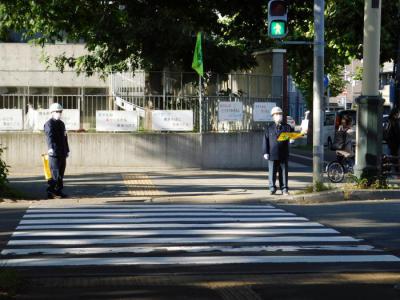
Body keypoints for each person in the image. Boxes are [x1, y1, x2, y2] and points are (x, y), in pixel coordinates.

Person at [262, 106, 293, 195]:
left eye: (280, 114)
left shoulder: (287, 127)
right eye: (276, 114)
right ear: (273, 116)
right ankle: (272, 188)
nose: (278, 115)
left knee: (283, 172)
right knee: (272, 172)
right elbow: (265, 140)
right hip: (272, 153)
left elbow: (290, 137)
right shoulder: (269, 128)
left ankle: (284, 189)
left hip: (283, 153)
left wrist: (291, 139)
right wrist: (265, 152)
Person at [44, 103, 70, 199]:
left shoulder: (61, 123)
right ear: (52, 112)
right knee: (55, 173)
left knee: (61, 173)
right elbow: (49, 137)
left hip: (62, 151)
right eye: (57, 111)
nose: (59, 113)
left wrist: (67, 150)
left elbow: (65, 137)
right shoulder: (49, 124)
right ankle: (50, 192)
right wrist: (50, 148)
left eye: (60, 111)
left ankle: (59, 191)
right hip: (54, 153)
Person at [385, 108, 400, 173]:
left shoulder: (389, 120)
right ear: (395, 114)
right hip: (394, 142)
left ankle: (389, 170)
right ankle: (394, 171)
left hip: (390, 142)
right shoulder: (394, 122)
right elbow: (397, 133)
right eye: (398, 113)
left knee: (391, 156)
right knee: (394, 157)